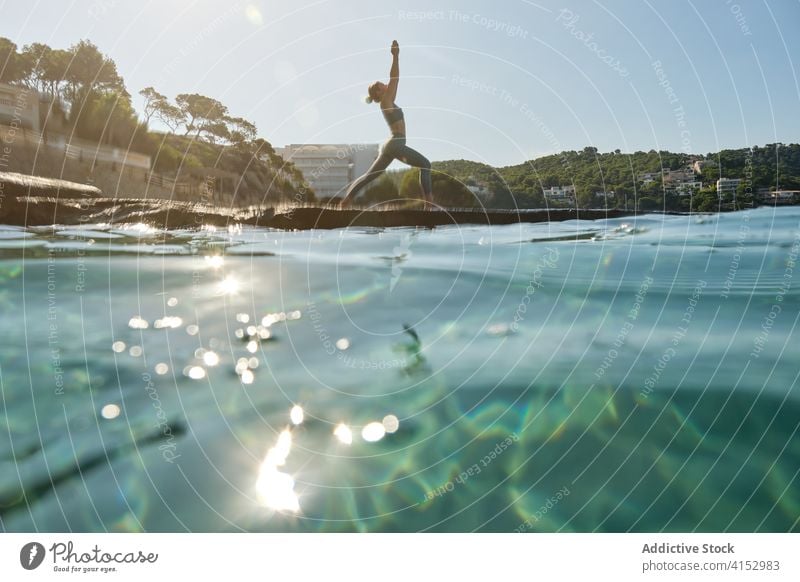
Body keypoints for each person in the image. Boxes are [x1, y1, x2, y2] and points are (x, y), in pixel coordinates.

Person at [339, 40, 433, 208]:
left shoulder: (388, 101)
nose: (385, 84)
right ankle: (429, 204)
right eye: (382, 84)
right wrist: (395, 56)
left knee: (369, 176)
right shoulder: (385, 102)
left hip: (391, 145)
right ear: (378, 92)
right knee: (426, 165)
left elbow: (394, 81)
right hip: (395, 143)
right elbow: (395, 78)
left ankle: (345, 203)